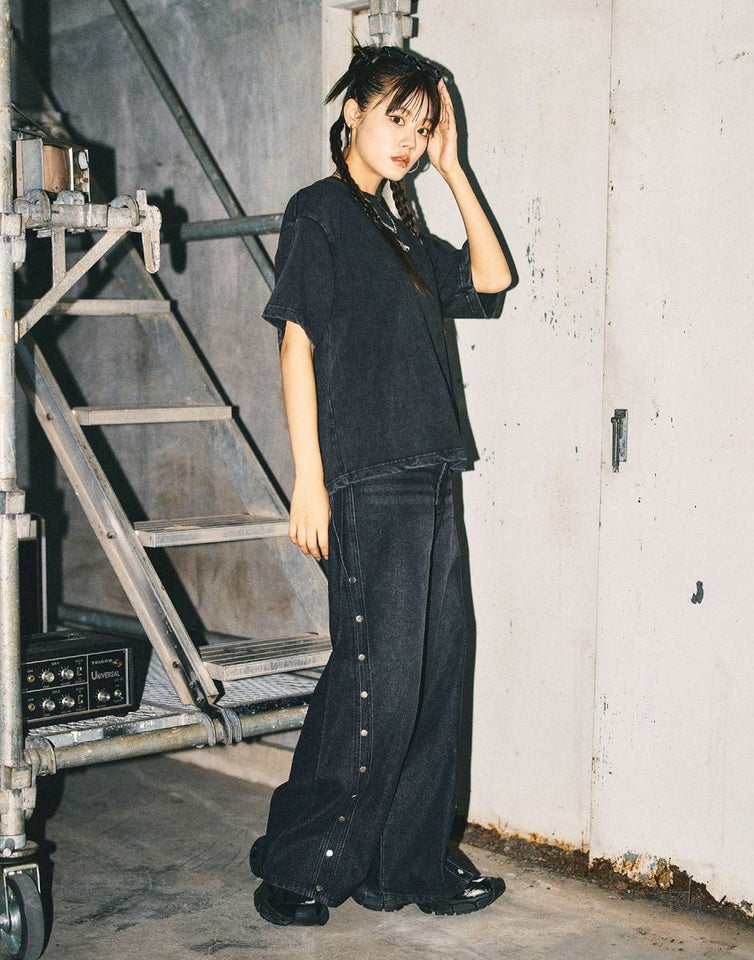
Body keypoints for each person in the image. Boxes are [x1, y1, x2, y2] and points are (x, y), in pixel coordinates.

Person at [249, 43, 512, 927]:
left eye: (423, 125)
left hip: (433, 471)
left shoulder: (404, 232)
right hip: (366, 477)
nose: (409, 137)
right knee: (378, 680)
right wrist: (308, 480)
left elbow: (492, 279)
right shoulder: (317, 212)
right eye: (396, 117)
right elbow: (297, 345)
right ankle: (302, 865)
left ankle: (409, 865)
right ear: (353, 112)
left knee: (437, 672)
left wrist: (454, 169)